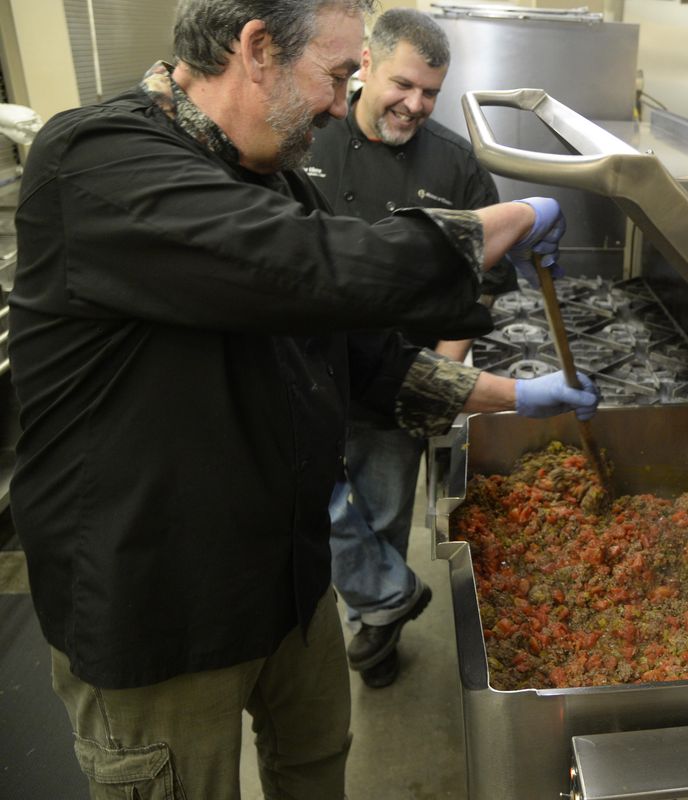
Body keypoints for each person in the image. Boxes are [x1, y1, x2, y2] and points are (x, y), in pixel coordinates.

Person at [7, 1, 597, 798]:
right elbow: (303, 264)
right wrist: (500, 222)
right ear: (256, 49)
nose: (337, 100)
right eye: (338, 75)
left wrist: (514, 395)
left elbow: (366, 358)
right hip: (161, 605)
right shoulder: (97, 159)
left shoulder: (275, 176)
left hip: (287, 582)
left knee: (316, 766)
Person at [303, 9, 510, 690]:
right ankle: (372, 601)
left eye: (430, 92)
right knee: (306, 505)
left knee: (384, 511)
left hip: (399, 382)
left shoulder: (452, 161)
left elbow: (483, 281)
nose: (415, 105)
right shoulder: (309, 136)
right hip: (305, 369)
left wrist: (445, 367)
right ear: (365, 63)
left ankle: (377, 633)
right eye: (404, 85)